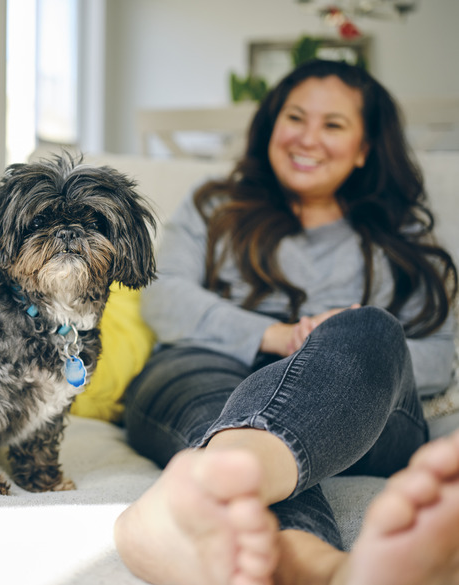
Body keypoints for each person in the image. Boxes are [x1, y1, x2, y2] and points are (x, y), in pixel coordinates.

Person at [114, 59, 459, 585]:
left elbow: (438, 355)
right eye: (295, 117)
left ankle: (199, 492)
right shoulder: (216, 204)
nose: (308, 138)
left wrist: (331, 342)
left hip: (362, 404)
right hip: (213, 367)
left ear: (365, 148)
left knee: (370, 328)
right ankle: (318, 567)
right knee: (232, 406)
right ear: (272, 125)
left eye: (334, 125)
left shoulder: (402, 234)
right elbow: (164, 298)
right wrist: (274, 336)